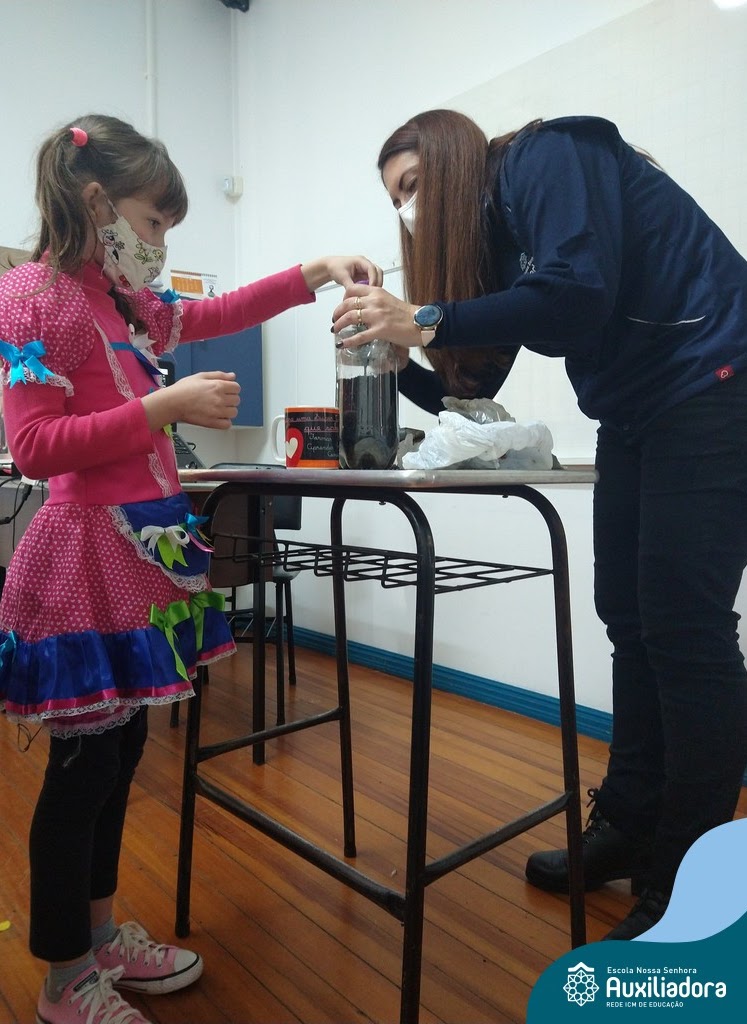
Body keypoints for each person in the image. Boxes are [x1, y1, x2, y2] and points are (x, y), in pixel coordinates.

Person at [0, 112, 382, 1024]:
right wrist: (162, 407)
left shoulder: (123, 303)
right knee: (82, 771)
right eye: (155, 222)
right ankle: (63, 979)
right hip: (85, 557)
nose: (162, 244)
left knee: (121, 755)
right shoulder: (33, 295)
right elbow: (34, 448)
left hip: (144, 553)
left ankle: (99, 936)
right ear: (97, 202)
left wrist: (313, 271)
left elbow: (215, 312)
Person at [331, 108, 747, 940]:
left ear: (451, 160)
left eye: (410, 185)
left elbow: (577, 294)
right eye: (394, 200)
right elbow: (473, 387)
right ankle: (627, 821)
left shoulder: (549, 154)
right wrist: (396, 357)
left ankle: (689, 876)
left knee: (684, 630)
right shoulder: (497, 240)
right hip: (636, 408)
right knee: (626, 616)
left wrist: (426, 316)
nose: (407, 210)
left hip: (715, 378)